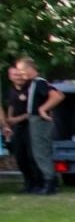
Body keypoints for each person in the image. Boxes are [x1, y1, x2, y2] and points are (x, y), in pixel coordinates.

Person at [8, 57, 64, 194]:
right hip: (33, 120)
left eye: (22, 70)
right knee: (37, 152)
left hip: (39, 120)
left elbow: (57, 96)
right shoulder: (32, 83)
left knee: (41, 152)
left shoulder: (39, 82)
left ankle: (50, 183)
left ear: (29, 69)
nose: (20, 73)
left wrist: (42, 109)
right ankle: (44, 183)